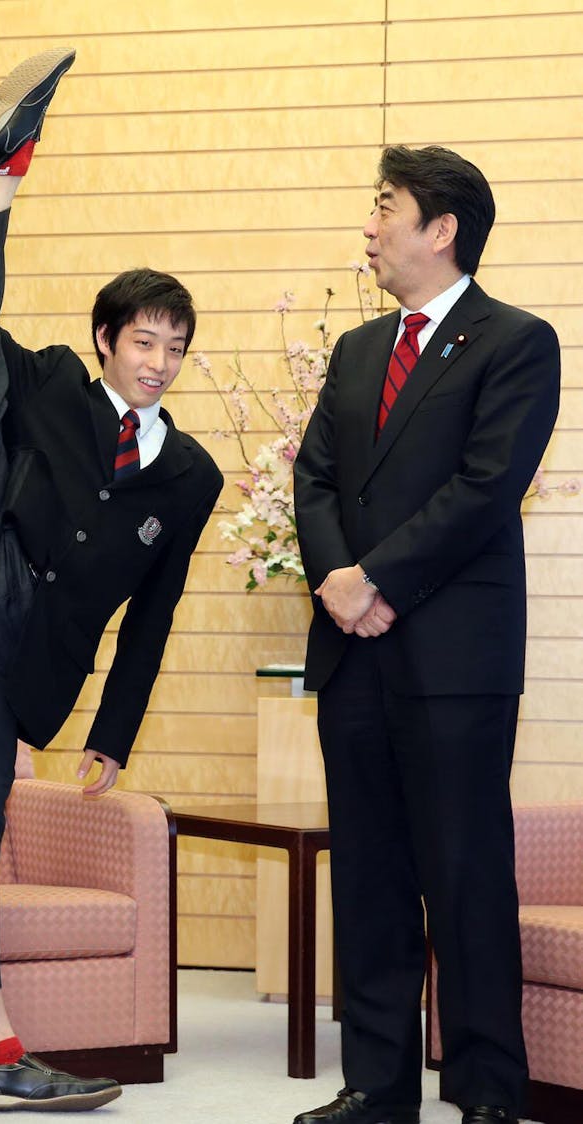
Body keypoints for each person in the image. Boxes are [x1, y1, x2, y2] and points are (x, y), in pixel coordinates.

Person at [0, 47, 222, 1112]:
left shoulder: (190, 475)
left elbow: (152, 620)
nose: (159, 361)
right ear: (106, 340)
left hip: (31, 656)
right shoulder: (46, 379)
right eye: (144, 340)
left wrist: (112, 733)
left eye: (175, 347)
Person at [292, 145, 560, 1124]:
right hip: (351, 650)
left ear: (439, 229)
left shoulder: (516, 342)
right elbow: (313, 476)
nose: (367, 226)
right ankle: (375, 1086)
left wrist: (377, 577)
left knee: (464, 875)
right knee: (366, 876)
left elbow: (484, 488)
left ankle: (487, 1089)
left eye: (383, 208)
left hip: (453, 660)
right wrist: (333, 580)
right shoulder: (358, 350)